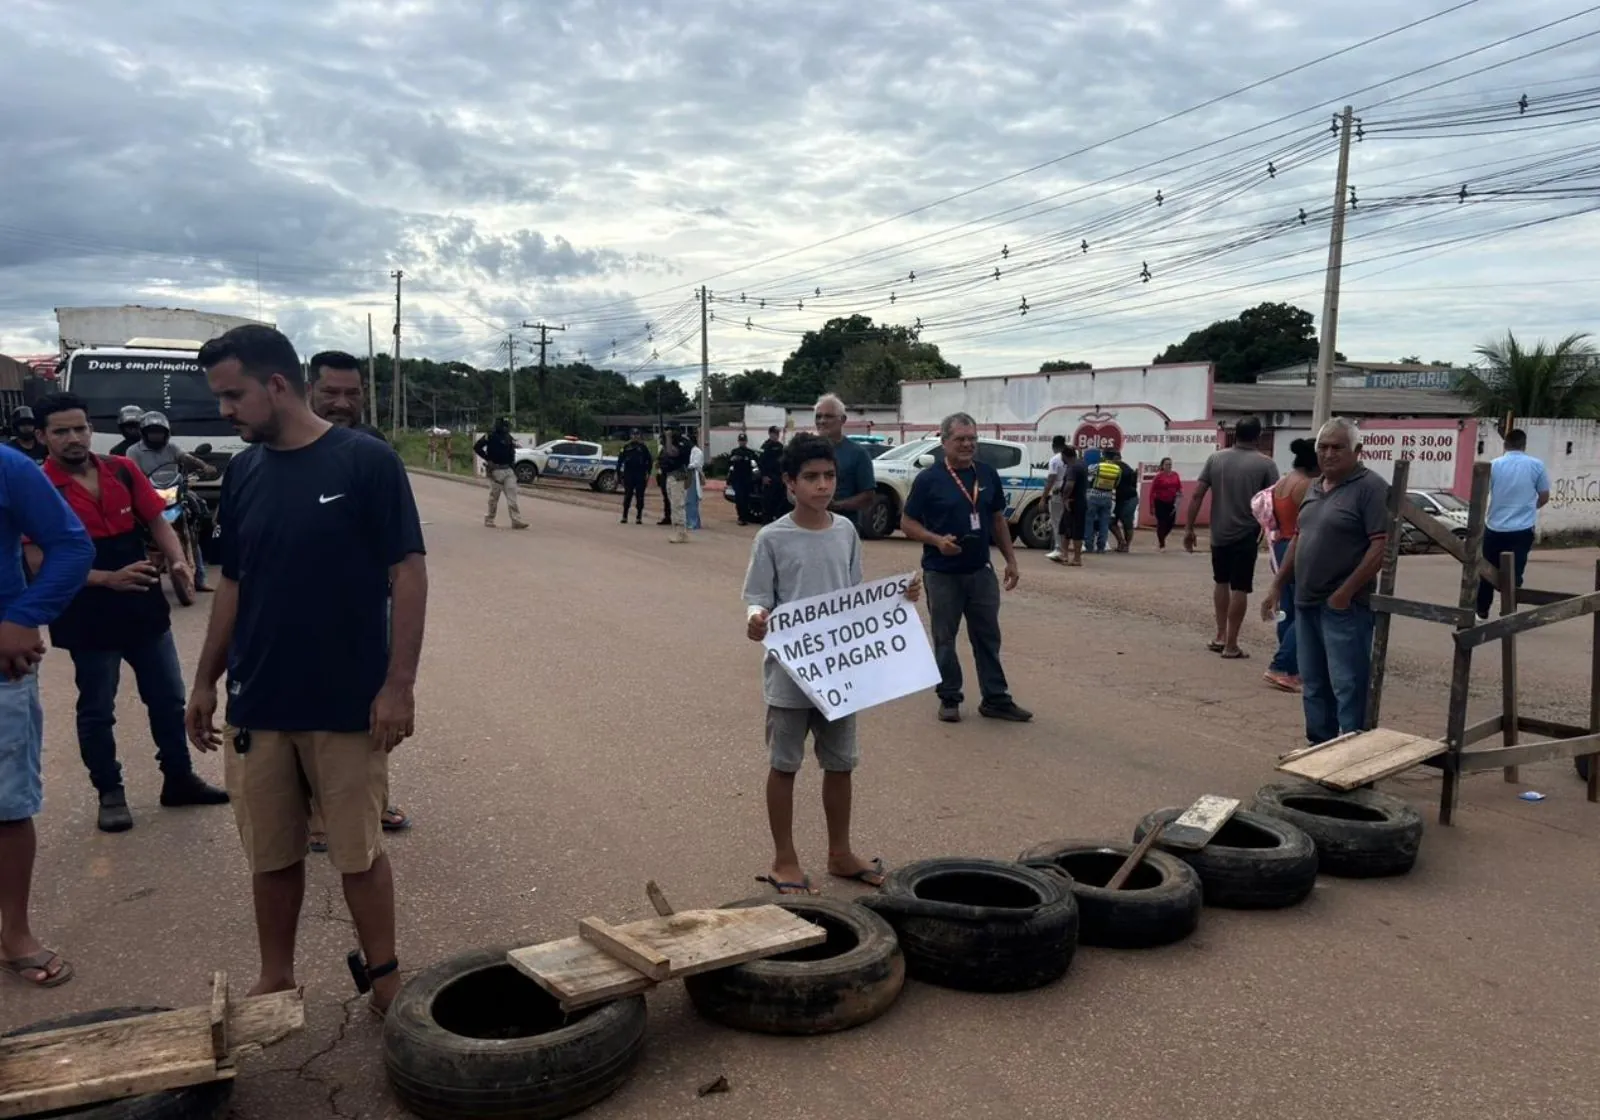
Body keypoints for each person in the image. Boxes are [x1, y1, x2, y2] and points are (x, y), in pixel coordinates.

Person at [186, 324, 427, 1015]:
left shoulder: (364, 462)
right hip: (259, 702)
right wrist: (206, 679)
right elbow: (233, 582)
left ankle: (386, 983)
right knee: (270, 855)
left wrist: (398, 685)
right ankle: (275, 978)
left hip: (346, 701)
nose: (225, 410)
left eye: (233, 395)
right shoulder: (245, 472)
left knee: (357, 855)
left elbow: (407, 572)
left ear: (277, 385)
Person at [24, 394, 227, 834]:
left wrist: (178, 561)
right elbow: (40, 563)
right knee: (98, 708)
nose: (74, 438)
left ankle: (178, 779)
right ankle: (110, 792)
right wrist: (105, 579)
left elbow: (157, 521)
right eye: (61, 431)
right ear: (42, 436)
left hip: (141, 600)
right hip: (85, 608)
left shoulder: (121, 469)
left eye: (80, 428)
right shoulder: (36, 487)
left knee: (169, 698)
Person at [742, 434, 919, 894]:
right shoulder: (772, 538)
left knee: (841, 764)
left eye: (829, 476)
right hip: (788, 675)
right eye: (811, 477)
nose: (822, 486)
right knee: (785, 765)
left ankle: (839, 853)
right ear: (790, 482)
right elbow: (757, 598)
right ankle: (785, 859)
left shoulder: (845, 532)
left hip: (840, 674)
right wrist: (756, 620)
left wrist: (897, 599)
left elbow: (856, 598)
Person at [307, 353, 412, 842]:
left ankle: (375, 801)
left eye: (352, 395)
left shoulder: (375, 451)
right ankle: (312, 813)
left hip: (368, 606)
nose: (341, 404)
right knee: (305, 710)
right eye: (331, 392)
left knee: (372, 708)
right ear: (308, 390)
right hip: (303, 612)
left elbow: (405, 555)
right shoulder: (286, 455)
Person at [0, 443, 94, 989]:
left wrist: (24, 616)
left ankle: (14, 933)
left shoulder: (7, 467)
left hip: (1, 657)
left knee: (6, 804)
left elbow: (70, 546)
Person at [1262, 418, 1388, 745]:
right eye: (1323, 447)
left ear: (1358, 451)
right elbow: (1299, 537)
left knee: (1348, 683)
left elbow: (1381, 545)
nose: (1329, 454)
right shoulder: (1315, 487)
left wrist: (1344, 593)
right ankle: (1319, 747)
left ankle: (1351, 753)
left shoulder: (1370, 488)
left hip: (1344, 608)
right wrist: (1278, 584)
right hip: (1306, 602)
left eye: (1337, 447)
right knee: (1314, 682)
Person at [901, 412, 1031, 724]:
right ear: (944, 442)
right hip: (942, 572)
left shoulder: (987, 475)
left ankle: (996, 698)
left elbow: (998, 520)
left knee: (988, 636)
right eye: (960, 439)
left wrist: (1011, 560)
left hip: (980, 571)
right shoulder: (928, 480)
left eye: (972, 439)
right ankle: (949, 696)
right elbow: (906, 522)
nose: (967, 444)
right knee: (945, 637)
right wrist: (935, 540)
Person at [1185, 417, 1279, 659]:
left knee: (1221, 582)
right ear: (1258, 436)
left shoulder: (1216, 459)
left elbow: (1197, 495)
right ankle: (1231, 644)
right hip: (1246, 534)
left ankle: (1220, 635)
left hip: (1219, 533)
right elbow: (1273, 502)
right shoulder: (1266, 464)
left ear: (1234, 434)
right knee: (1240, 587)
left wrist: (1189, 528)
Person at [1263, 439, 1319, 693]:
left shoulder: (1285, 481)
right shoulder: (1306, 485)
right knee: (1306, 610)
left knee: (1288, 610)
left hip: (1280, 545)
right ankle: (1283, 666)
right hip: (1298, 548)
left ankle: (1292, 668)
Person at [1477, 428, 1550, 619]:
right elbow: (1544, 496)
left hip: (1495, 526)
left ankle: (1481, 610)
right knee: (1515, 571)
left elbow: (1482, 493)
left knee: (1487, 570)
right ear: (1524, 445)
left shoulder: (1494, 465)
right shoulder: (1537, 465)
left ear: (1505, 445)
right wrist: (1527, 508)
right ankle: (1509, 611)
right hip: (1522, 529)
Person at [811, 395, 876, 529]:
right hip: (808, 527)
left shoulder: (858, 454)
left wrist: (835, 506)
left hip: (842, 530)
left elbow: (868, 496)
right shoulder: (804, 451)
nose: (822, 421)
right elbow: (790, 489)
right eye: (818, 416)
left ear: (843, 420)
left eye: (828, 416)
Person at [123, 412, 214, 480]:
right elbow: (134, 473)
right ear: (144, 434)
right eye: (152, 432)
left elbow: (185, 457)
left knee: (195, 500)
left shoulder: (172, 447)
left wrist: (204, 466)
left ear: (166, 434)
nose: (156, 435)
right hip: (146, 490)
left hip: (172, 487)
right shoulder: (133, 451)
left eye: (160, 432)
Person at [473, 418, 526, 530]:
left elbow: (512, 453)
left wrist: (513, 467)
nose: (505, 428)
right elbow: (477, 447)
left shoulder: (509, 438)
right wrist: (488, 459)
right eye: (504, 426)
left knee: (512, 497)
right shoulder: (490, 436)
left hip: (508, 470)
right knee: (494, 497)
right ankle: (489, 519)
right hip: (495, 470)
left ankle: (516, 520)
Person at [657, 426, 690, 543]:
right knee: (673, 503)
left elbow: (672, 453)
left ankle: (681, 532)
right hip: (670, 474)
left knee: (677, 503)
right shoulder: (671, 442)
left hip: (679, 475)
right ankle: (678, 531)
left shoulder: (684, 443)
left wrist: (668, 438)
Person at [1084, 449, 1120, 554]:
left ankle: (1089, 546)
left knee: (1089, 522)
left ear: (1103, 456)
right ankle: (1101, 547)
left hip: (1094, 496)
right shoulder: (1118, 469)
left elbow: (1087, 472)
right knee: (1104, 524)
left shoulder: (1098, 466)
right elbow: (1116, 484)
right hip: (1107, 497)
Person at [617, 429, 653, 525]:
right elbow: (620, 461)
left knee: (640, 496)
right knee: (627, 495)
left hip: (640, 474)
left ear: (639, 436)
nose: (635, 436)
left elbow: (649, 461)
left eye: (637, 434)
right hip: (629, 474)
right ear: (630, 436)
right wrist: (618, 474)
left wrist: (648, 473)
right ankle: (624, 516)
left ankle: (639, 517)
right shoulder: (626, 447)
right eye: (633, 434)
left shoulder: (643, 447)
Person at [1059, 445, 1088, 567]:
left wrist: (1065, 498)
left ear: (1065, 456)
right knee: (1067, 528)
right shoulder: (1082, 465)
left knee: (1073, 530)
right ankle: (1065, 555)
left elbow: (1070, 485)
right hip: (1080, 500)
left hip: (1073, 502)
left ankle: (1076, 558)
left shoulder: (1072, 468)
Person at [1043, 436, 1069, 562]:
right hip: (1070, 494)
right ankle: (1069, 548)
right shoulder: (1072, 457)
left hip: (1058, 494)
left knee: (1057, 521)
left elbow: (1051, 479)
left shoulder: (1055, 459)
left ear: (1053, 446)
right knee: (1068, 521)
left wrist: (1043, 497)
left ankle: (1059, 549)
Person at [1110, 449, 1139, 552]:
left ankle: (1123, 544)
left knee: (1123, 522)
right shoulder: (1126, 467)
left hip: (1127, 499)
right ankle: (1123, 544)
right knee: (1116, 522)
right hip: (1125, 498)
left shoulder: (1117, 467)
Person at [726, 433, 759, 525]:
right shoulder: (734, 452)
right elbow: (729, 464)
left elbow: (756, 463)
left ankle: (746, 516)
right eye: (741, 441)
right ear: (738, 441)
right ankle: (741, 517)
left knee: (746, 499)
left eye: (743, 441)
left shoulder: (750, 452)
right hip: (737, 479)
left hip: (747, 478)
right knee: (739, 499)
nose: (742, 442)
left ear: (746, 441)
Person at [1151, 458, 1182, 550]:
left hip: (1171, 502)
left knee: (1171, 523)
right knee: (1162, 523)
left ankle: (1162, 537)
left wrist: (1179, 494)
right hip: (1160, 502)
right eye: (1167, 464)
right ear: (1162, 466)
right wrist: (1151, 506)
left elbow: (1179, 487)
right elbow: (1152, 491)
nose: (1169, 466)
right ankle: (1162, 544)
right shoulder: (1158, 477)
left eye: (1170, 464)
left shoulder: (1175, 475)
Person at [758, 425, 787, 523]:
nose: (777, 435)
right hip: (769, 477)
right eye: (775, 433)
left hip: (779, 478)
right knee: (768, 502)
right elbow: (761, 462)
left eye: (778, 433)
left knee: (779, 501)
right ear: (770, 434)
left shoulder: (780, 446)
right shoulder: (765, 446)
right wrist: (764, 476)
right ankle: (766, 522)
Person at [685, 433, 705, 531]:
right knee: (688, 501)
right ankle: (691, 521)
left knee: (692, 501)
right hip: (688, 477)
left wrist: (687, 466)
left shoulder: (697, 452)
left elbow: (696, 464)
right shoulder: (690, 451)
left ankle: (694, 523)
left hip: (694, 476)